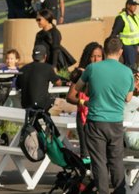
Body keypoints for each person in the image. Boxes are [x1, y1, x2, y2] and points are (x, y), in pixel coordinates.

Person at [68, 37, 136, 194]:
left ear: (105, 51)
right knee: (116, 161)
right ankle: (120, 191)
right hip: (116, 122)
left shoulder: (92, 68)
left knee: (99, 162)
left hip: (96, 121)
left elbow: (79, 88)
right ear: (120, 52)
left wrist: (91, 91)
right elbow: (128, 98)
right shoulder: (127, 72)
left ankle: (103, 192)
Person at [64, 41, 104, 165]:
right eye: (93, 56)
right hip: (84, 118)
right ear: (88, 57)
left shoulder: (104, 73)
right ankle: (84, 181)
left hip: (102, 118)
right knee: (86, 154)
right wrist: (83, 102)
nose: (96, 59)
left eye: (99, 56)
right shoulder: (82, 73)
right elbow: (70, 97)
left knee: (100, 153)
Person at [16, 45, 60, 110]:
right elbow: (59, 83)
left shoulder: (23, 69)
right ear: (45, 56)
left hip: (25, 106)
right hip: (42, 105)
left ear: (32, 56)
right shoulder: (48, 68)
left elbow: (18, 85)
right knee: (61, 102)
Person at [110, 0, 139, 69]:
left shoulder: (136, 17)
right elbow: (115, 32)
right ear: (128, 6)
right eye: (133, 5)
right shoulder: (121, 17)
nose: (135, 7)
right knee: (131, 64)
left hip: (136, 44)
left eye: (136, 5)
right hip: (127, 44)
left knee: (135, 64)